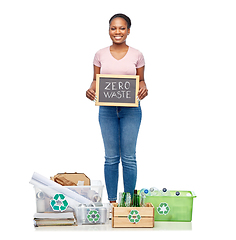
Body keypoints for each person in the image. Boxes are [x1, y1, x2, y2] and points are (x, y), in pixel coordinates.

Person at [86, 13, 148, 203]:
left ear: (128, 31)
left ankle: (128, 202)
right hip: (107, 111)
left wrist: (144, 87)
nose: (118, 31)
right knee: (111, 158)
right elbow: (96, 81)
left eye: (122, 28)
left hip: (131, 110)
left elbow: (142, 81)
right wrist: (90, 90)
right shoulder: (100, 54)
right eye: (114, 28)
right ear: (109, 31)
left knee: (129, 157)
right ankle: (113, 202)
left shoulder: (137, 54)